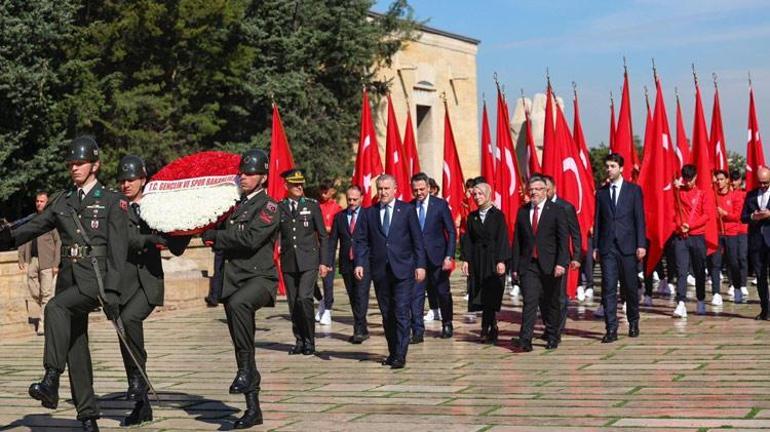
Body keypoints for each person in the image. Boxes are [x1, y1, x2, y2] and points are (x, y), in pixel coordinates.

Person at [0, 136, 128, 432]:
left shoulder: (111, 201)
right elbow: (31, 228)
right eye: (71, 163)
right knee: (75, 345)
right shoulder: (63, 201)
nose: (74, 168)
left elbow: (119, 250)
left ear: (95, 165)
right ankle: (88, 416)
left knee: (55, 308)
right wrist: (4, 237)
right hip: (69, 279)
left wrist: (113, 290)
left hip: (95, 280)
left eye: (80, 163)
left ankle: (50, 379)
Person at [200, 149, 279, 428]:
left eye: (250, 173)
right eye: (242, 173)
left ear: (262, 176)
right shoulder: (234, 205)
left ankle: (245, 371)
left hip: (260, 279)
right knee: (240, 340)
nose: (243, 177)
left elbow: (249, 239)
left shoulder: (269, 207)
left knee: (239, 305)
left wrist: (217, 236)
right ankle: (253, 408)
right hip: (234, 281)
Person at [116, 155, 189, 426]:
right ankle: (141, 403)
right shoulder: (117, 207)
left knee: (129, 320)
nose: (126, 184)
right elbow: (123, 239)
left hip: (147, 282)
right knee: (125, 337)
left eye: (131, 179)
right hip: (122, 282)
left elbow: (176, 243)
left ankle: (137, 381)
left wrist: (187, 228)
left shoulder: (156, 206)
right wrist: (150, 240)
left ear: (143, 180)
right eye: (122, 180)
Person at [354, 174, 425, 369]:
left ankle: (400, 355)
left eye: (387, 188)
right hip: (380, 272)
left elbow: (417, 240)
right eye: (380, 189)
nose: (383, 192)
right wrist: (360, 263)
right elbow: (361, 240)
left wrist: (420, 265)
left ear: (395, 189)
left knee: (401, 311)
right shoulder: (369, 213)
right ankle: (393, 351)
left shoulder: (407, 210)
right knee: (387, 314)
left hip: (403, 269)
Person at [511, 176, 568, 351]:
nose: (534, 192)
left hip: (550, 265)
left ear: (545, 191)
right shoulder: (522, 211)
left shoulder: (556, 210)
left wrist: (561, 263)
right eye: (531, 189)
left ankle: (552, 335)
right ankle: (525, 339)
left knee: (550, 302)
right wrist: (515, 267)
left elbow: (563, 240)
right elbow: (517, 242)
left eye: (537, 189)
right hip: (529, 265)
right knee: (530, 301)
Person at [593, 153, 646, 342]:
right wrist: (595, 246)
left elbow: (640, 218)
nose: (609, 169)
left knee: (630, 287)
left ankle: (633, 321)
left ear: (621, 168)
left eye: (613, 166)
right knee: (608, 287)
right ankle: (611, 329)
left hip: (628, 246)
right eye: (607, 166)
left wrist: (641, 244)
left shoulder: (633, 191)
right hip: (608, 247)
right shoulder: (601, 193)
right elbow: (598, 221)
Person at [277, 169, 329, 355]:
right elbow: (275, 235)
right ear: (286, 186)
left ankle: (310, 340)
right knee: (293, 302)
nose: (299, 187)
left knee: (304, 298)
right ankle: (299, 340)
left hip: (309, 260)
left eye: (301, 184)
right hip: (289, 261)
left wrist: (324, 262)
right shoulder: (280, 207)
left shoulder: (312, 205)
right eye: (294, 184)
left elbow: (323, 236)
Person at [460, 182, 509, 344]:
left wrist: (501, 260)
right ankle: (490, 324)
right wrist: (466, 259)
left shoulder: (498, 215)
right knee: (480, 292)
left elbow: (502, 238)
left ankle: (486, 326)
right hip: (477, 259)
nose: (477, 197)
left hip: (493, 259)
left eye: (480, 194)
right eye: (475, 194)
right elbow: (468, 240)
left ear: (488, 194)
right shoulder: (472, 217)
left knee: (491, 293)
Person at [409, 172, 456, 341]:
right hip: (416, 260)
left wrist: (449, 255)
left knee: (443, 292)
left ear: (429, 188)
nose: (419, 193)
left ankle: (447, 322)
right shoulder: (408, 207)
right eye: (416, 190)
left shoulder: (440, 205)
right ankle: (417, 330)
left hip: (438, 257)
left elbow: (451, 231)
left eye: (422, 189)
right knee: (416, 294)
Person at [327, 185, 370, 343]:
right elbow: (332, 240)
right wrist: (328, 261)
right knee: (353, 296)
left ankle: (358, 328)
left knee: (361, 294)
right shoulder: (339, 217)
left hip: (364, 262)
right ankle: (362, 326)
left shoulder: (368, 215)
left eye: (355, 199)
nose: (351, 202)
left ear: (361, 198)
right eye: (349, 199)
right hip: (346, 263)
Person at [543, 175, 581, 342]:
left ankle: (556, 331)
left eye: (547, 189)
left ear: (554, 189)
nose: (545, 192)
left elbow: (575, 234)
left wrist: (577, 256)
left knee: (559, 296)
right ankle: (549, 326)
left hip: (561, 258)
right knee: (542, 296)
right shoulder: (536, 208)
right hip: (542, 259)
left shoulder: (565, 207)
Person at [17, 191, 60, 335]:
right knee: (33, 287)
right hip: (33, 259)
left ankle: (42, 324)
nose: (39, 203)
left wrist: (56, 263)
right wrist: (21, 257)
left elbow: (58, 242)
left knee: (47, 294)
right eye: (37, 201)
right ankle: (43, 304)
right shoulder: (32, 220)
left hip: (47, 261)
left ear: (47, 203)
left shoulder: (52, 221)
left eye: (42, 201)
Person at [672, 164, 710, 317]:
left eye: (690, 179)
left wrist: (691, 225)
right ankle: (681, 302)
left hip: (697, 236)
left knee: (699, 270)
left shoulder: (702, 194)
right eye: (685, 179)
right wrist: (679, 226)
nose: (687, 182)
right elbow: (671, 212)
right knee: (681, 270)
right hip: (681, 237)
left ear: (696, 177)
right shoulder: (677, 192)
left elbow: (706, 215)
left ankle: (700, 300)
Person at [740, 166, 770, 320]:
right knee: (760, 276)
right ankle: (765, 309)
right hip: (756, 242)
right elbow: (743, 217)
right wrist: (753, 216)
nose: (763, 185)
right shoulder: (751, 195)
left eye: (766, 183)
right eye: (760, 183)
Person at [714, 169, 742, 304]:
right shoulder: (714, 195)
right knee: (716, 263)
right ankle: (716, 293)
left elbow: (737, 216)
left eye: (721, 179)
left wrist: (724, 213)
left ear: (727, 180)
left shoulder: (735, 196)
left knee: (733, 262)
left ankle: (737, 288)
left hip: (731, 233)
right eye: (717, 179)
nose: (719, 182)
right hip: (717, 234)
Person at [316, 180, 341, 325]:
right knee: (310, 278)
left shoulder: (337, 208)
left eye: (327, 190)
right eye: (322, 190)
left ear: (332, 191)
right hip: (314, 246)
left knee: (327, 280)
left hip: (329, 248)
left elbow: (336, 229)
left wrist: (325, 229)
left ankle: (328, 309)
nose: (324, 193)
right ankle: (321, 300)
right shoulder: (316, 206)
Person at [731, 170, 749, 301]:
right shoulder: (727, 195)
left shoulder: (745, 195)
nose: (733, 182)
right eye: (732, 179)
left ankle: (743, 284)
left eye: (736, 180)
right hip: (730, 231)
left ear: (740, 181)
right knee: (732, 259)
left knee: (742, 257)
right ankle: (733, 283)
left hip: (743, 230)